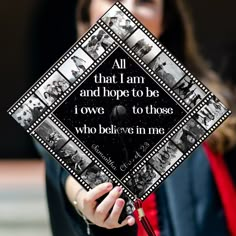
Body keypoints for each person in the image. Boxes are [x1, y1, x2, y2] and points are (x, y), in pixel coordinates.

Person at [35, 0, 236, 236]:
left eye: (144, 1)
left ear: (165, 20)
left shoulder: (214, 104)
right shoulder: (63, 106)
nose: (127, 11)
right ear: (87, 15)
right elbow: (66, 169)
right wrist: (85, 201)